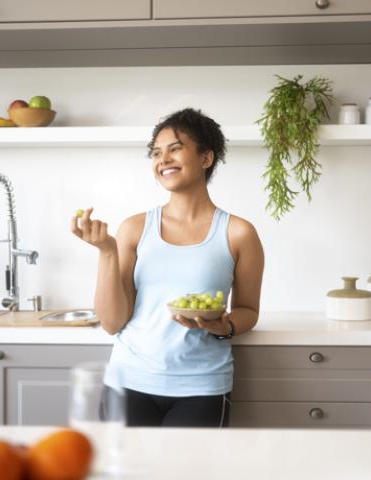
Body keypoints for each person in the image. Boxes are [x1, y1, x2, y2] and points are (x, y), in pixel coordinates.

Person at [70, 108, 264, 427]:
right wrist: (107, 252)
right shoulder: (134, 228)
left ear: (206, 158)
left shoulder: (239, 233)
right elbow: (112, 322)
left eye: (175, 149)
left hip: (202, 386)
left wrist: (223, 326)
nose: (163, 160)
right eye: (157, 153)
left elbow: (247, 310)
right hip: (128, 380)